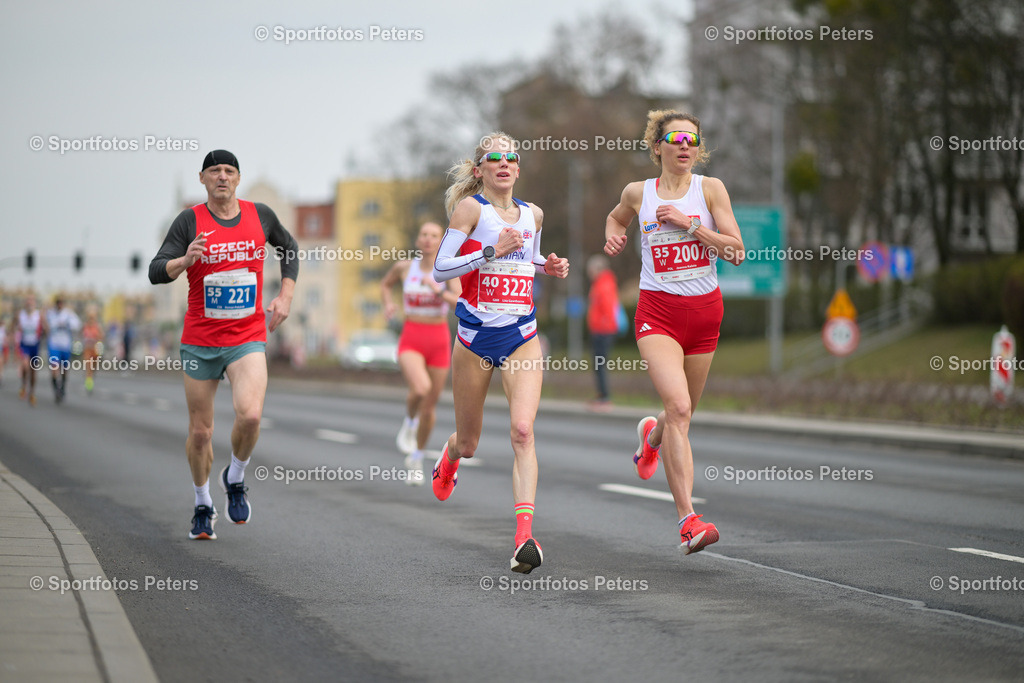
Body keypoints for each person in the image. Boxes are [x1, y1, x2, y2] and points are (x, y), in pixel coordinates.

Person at [604, 111, 744, 555]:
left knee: (680, 415)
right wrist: (614, 237)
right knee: (679, 408)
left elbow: (737, 251)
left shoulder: (710, 189)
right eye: (676, 139)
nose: (685, 146)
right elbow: (616, 217)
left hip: (705, 315)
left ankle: (651, 438)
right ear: (658, 146)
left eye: (693, 140)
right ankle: (688, 521)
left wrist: (691, 226)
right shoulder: (637, 192)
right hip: (657, 314)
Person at [432, 133, 569, 573]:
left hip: (521, 335)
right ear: (480, 170)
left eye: (512, 157)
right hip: (474, 340)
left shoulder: (534, 214)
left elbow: (525, 260)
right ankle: (450, 457)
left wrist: (549, 265)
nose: (505, 163)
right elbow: (440, 269)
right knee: (470, 443)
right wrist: (491, 250)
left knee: (523, 431)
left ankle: (525, 538)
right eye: (495, 158)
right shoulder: (471, 210)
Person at [149, 149, 299, 540]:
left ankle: (235, 475)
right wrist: (184, 260)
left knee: (250, 415)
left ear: (237, 178)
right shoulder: (189, 221)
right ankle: (202, 502)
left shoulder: (259, 215)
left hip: (246, 336)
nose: (222, 177)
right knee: (201, 433)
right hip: (200, 340)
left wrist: (285, 295)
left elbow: (289, 249)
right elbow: (155, 271)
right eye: (214, 171)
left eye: (229, 171)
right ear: (203, 179)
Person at [381, 221, 462, 484]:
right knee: (420, 389)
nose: (428, 239)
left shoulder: (447, 271)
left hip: (438, 339)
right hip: (411, 337)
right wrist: (389, 305)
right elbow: (385, 284)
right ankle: (408, 421)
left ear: (441, 242)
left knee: (429, 406)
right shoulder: (406, 267)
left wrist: (437, 289)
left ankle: (416, 457)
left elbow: (459, 303)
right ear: (418, 241)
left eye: (434, 235)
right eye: (424, 235)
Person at [585, 254, 620, 412]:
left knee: (600, 365)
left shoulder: (603, 283)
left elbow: (607, 307)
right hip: (601, 329)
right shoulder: (603, 282)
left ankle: (604, 398)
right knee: (599, 364)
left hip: (603, 331)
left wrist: (604, 324)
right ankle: (601, 396)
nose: (590, 273)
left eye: (591, 270)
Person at [46, 294, 81, 404]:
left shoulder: (68, 314)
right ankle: (56, 389)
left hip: (65, 345)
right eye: (58, 302)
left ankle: (63, 387)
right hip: (54, 344)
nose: (59, 305)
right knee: (54, 367)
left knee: (64, 369)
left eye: (61, 302)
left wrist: (67, 324)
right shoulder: (50, 314)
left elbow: (77, 325)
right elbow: (45, 325)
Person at [17, 294, 44, 406]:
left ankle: (32, 392)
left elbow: (46, 327)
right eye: (27, 301)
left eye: (31, 301)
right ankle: (24, 385)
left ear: (34, 303)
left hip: (35, 345)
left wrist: (46, 331)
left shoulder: (39, 315)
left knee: (33, 371)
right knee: (25, 365)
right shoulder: (20, 314)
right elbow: (13, 326)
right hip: (24, 344)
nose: (29, 303)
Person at [81, 307, 104, 394]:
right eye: (90, 317)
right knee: (89, 368)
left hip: (95, 349)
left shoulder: (97, 326)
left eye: (92, 317)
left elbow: (102, 336)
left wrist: (98, 339)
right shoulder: (85, 326)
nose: (91, 319)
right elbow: (81, 334)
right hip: (87, 349)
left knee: (94, 366)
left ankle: (90, 377)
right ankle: (89, 385)